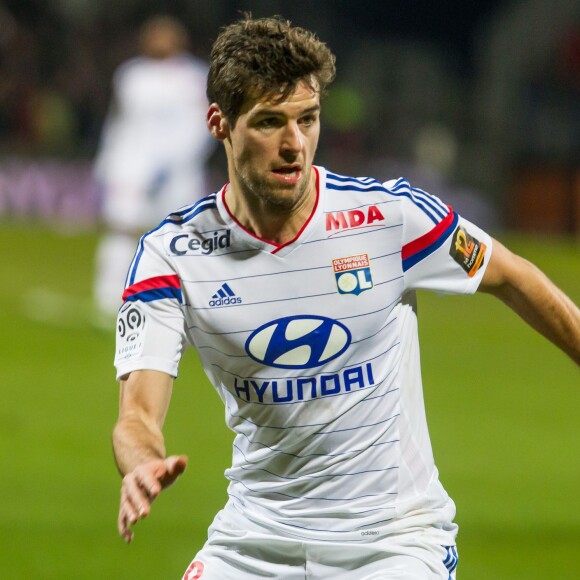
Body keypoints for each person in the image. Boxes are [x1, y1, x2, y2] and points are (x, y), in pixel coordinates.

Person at [112, 15, 580, 579]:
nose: (294, 145)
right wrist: (141, 464)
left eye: (307, 119)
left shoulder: (390, 218)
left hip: (393, 543)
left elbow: (513, 276)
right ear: (220, 124)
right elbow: (137, 412)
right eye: (269, 122)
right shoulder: (173, 254)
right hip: (253, 541)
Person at [93, 14, 216, 317]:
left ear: (178, 41)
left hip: (178, 175)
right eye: (153, 35)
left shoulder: (196, 77)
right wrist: (107, 160)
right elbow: (119, 121)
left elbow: (202, 128)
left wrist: (177, 161)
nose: (158, 42)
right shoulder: (131, 74)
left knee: (178, 235)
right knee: (122, 228)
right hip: (131, 166)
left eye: (165, 36)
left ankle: (178, 300)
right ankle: (109, 298)